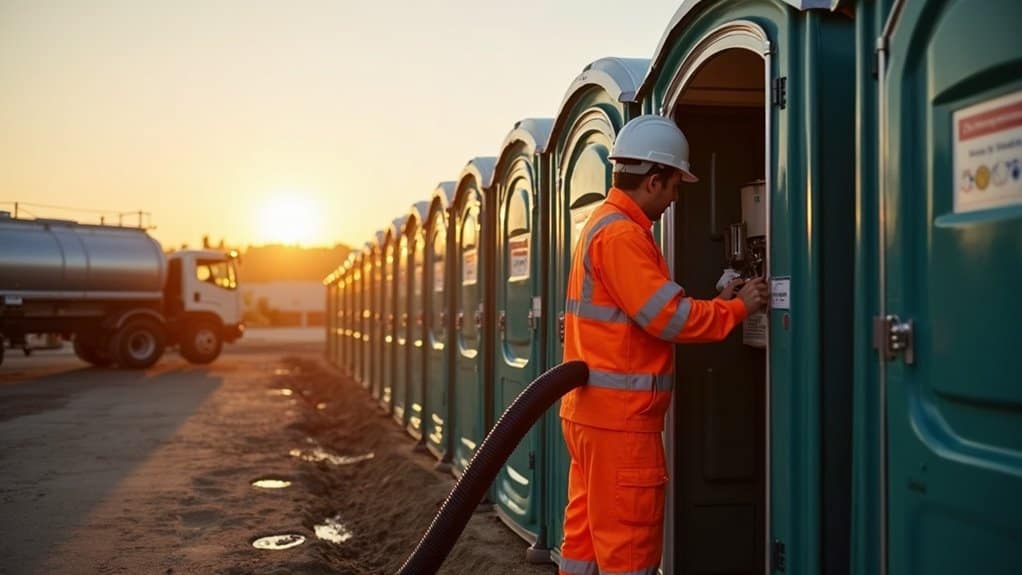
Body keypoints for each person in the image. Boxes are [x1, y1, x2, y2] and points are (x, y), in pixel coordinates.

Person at [558, 114, 769, 575]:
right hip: (621, 425)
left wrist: (717, 302)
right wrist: (737, 309)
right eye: (675, 185)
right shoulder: (622, 235)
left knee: (586, 544)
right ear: (654, 180)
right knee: (629, 552)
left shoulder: (602, 223)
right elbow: (667, 316)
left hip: (591, 417)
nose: (675, 199)